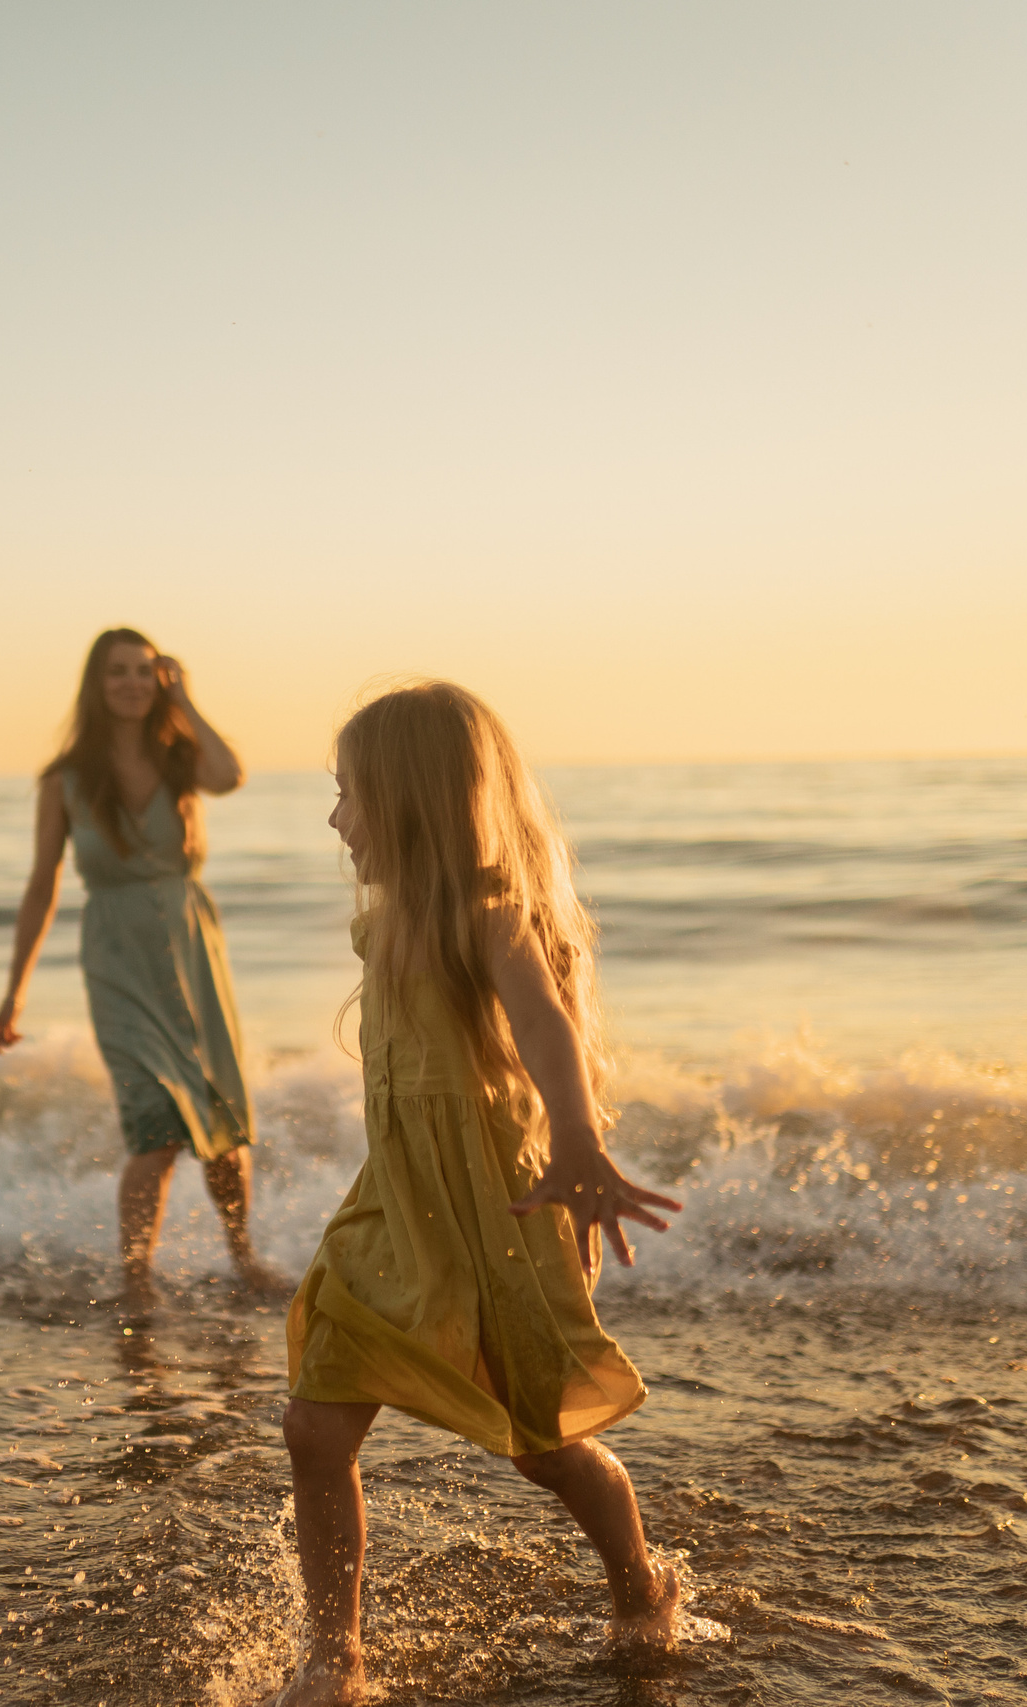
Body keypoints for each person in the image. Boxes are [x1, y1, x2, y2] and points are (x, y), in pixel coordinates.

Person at [271, 681, 688, 1706]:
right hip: (393, 1208)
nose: (335, 820)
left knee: (544, 1447)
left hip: (490, 1215)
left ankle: (640, 1580)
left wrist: (580, 1140)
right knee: (313, 1429)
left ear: (409, 800)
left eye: (349, 795)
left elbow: (543, 1022)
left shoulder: (485, 910)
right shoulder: (390, 921)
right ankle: (338, 1656)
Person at [0, 627, 285, 1310]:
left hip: (193, 950)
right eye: (117, 671)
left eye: (145, 671)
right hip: (117, 959)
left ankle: (244, 1257)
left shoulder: (182, 758)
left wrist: (186, 696)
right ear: (95, 685)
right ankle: (136, 1280)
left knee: (220, 1129)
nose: (132, 682)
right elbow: (42, 885)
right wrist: (15, 993)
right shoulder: (63, 781)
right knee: (153, 1128)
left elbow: (231, 775)